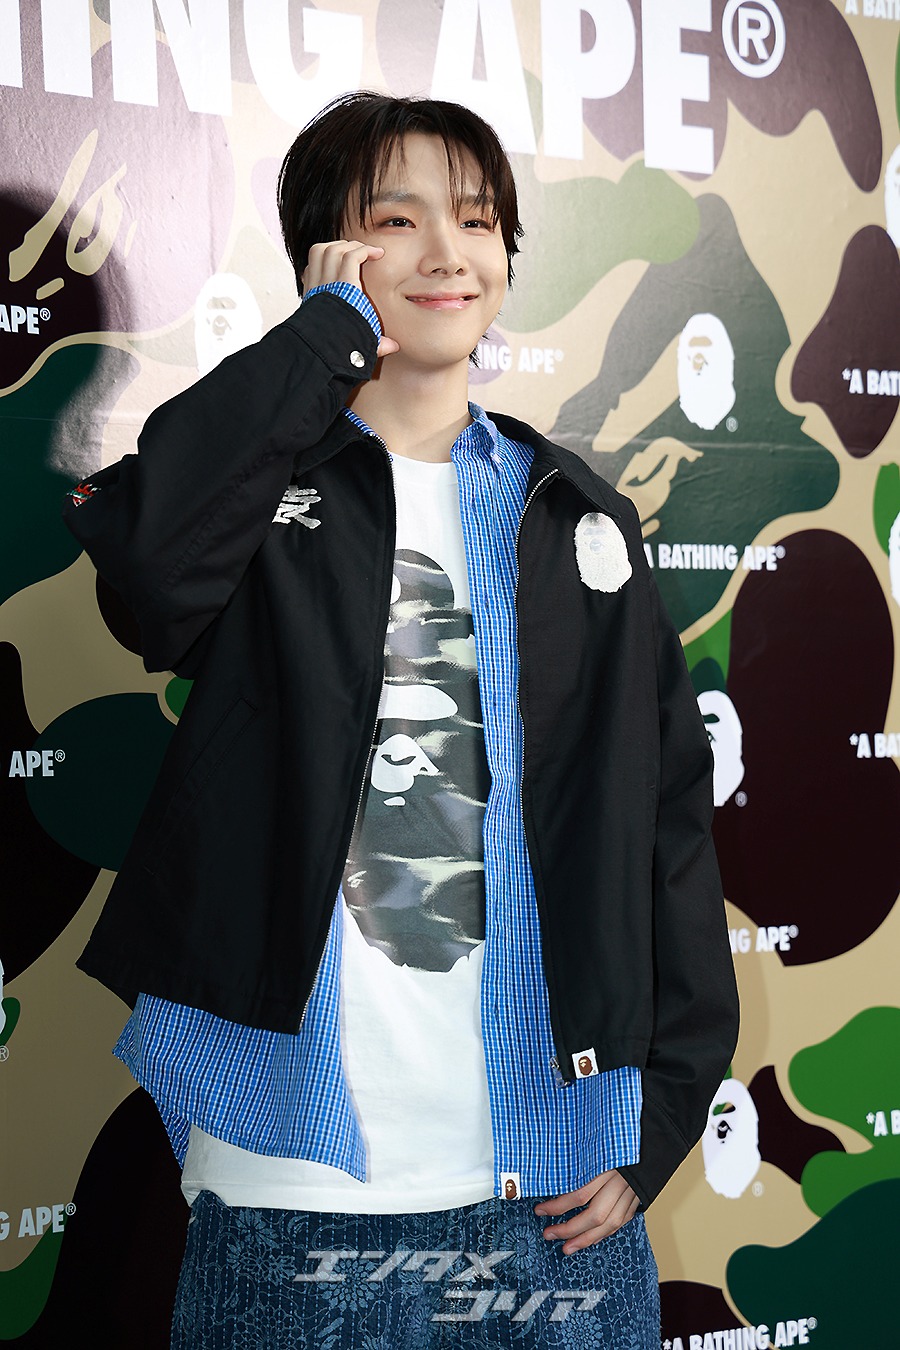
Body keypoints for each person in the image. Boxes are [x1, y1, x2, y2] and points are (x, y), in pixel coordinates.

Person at [63, 91, 738, 1348]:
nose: (446, 253)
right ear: (329, 254)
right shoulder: (258, 493)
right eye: (396, 219)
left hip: (554, 1192)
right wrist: (324, 339)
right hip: (296, 1195)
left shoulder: (573, 516)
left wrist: (663, 1109)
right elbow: (147, 570)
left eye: (476, 220)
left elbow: (666, 821)